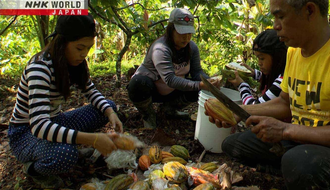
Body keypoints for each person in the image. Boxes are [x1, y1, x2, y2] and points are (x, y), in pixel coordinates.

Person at [207, 0, 330, 189]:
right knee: (234, 144)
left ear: (309, 10)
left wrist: (285, 130)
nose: (275, 26)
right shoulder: (294, 53)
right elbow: (284, 103)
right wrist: (239, 111)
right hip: (299, 141)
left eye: (280, 16)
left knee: (300, 163)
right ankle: (290, 172)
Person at [8, 15, 123, 189]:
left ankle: (62, 144)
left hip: (54, 121)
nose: (84, 54)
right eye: (79, 47)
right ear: (62, 43)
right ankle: (33, 169)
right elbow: (39, 126)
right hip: (25, 133)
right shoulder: (39, 68)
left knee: (108, 106)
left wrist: (111, 113)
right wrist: (93, 139)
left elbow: (90, 90)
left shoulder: (73, 63)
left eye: (88, 48)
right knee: (65, 155)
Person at [127, 8, 219, 129]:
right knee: (138, 83)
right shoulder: (161, 48)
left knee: (198, 88)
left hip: (173, 91)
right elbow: (170, 80)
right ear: (171, 30)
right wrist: (200, 85)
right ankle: (148, 115)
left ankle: (169, 109)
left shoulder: (192, 48)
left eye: (189, 34)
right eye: (182, 33)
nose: (186, 38)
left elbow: (197, 72)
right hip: (152, 90)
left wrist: (209, 82)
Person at [228, 29, 287, 105]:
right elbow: (269, 77)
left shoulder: (282, 83)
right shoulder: (280, 74)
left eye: (262, 58)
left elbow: (254, 106)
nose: (259, 63)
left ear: (277, 58)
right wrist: (254, 74)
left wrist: (242, 85)